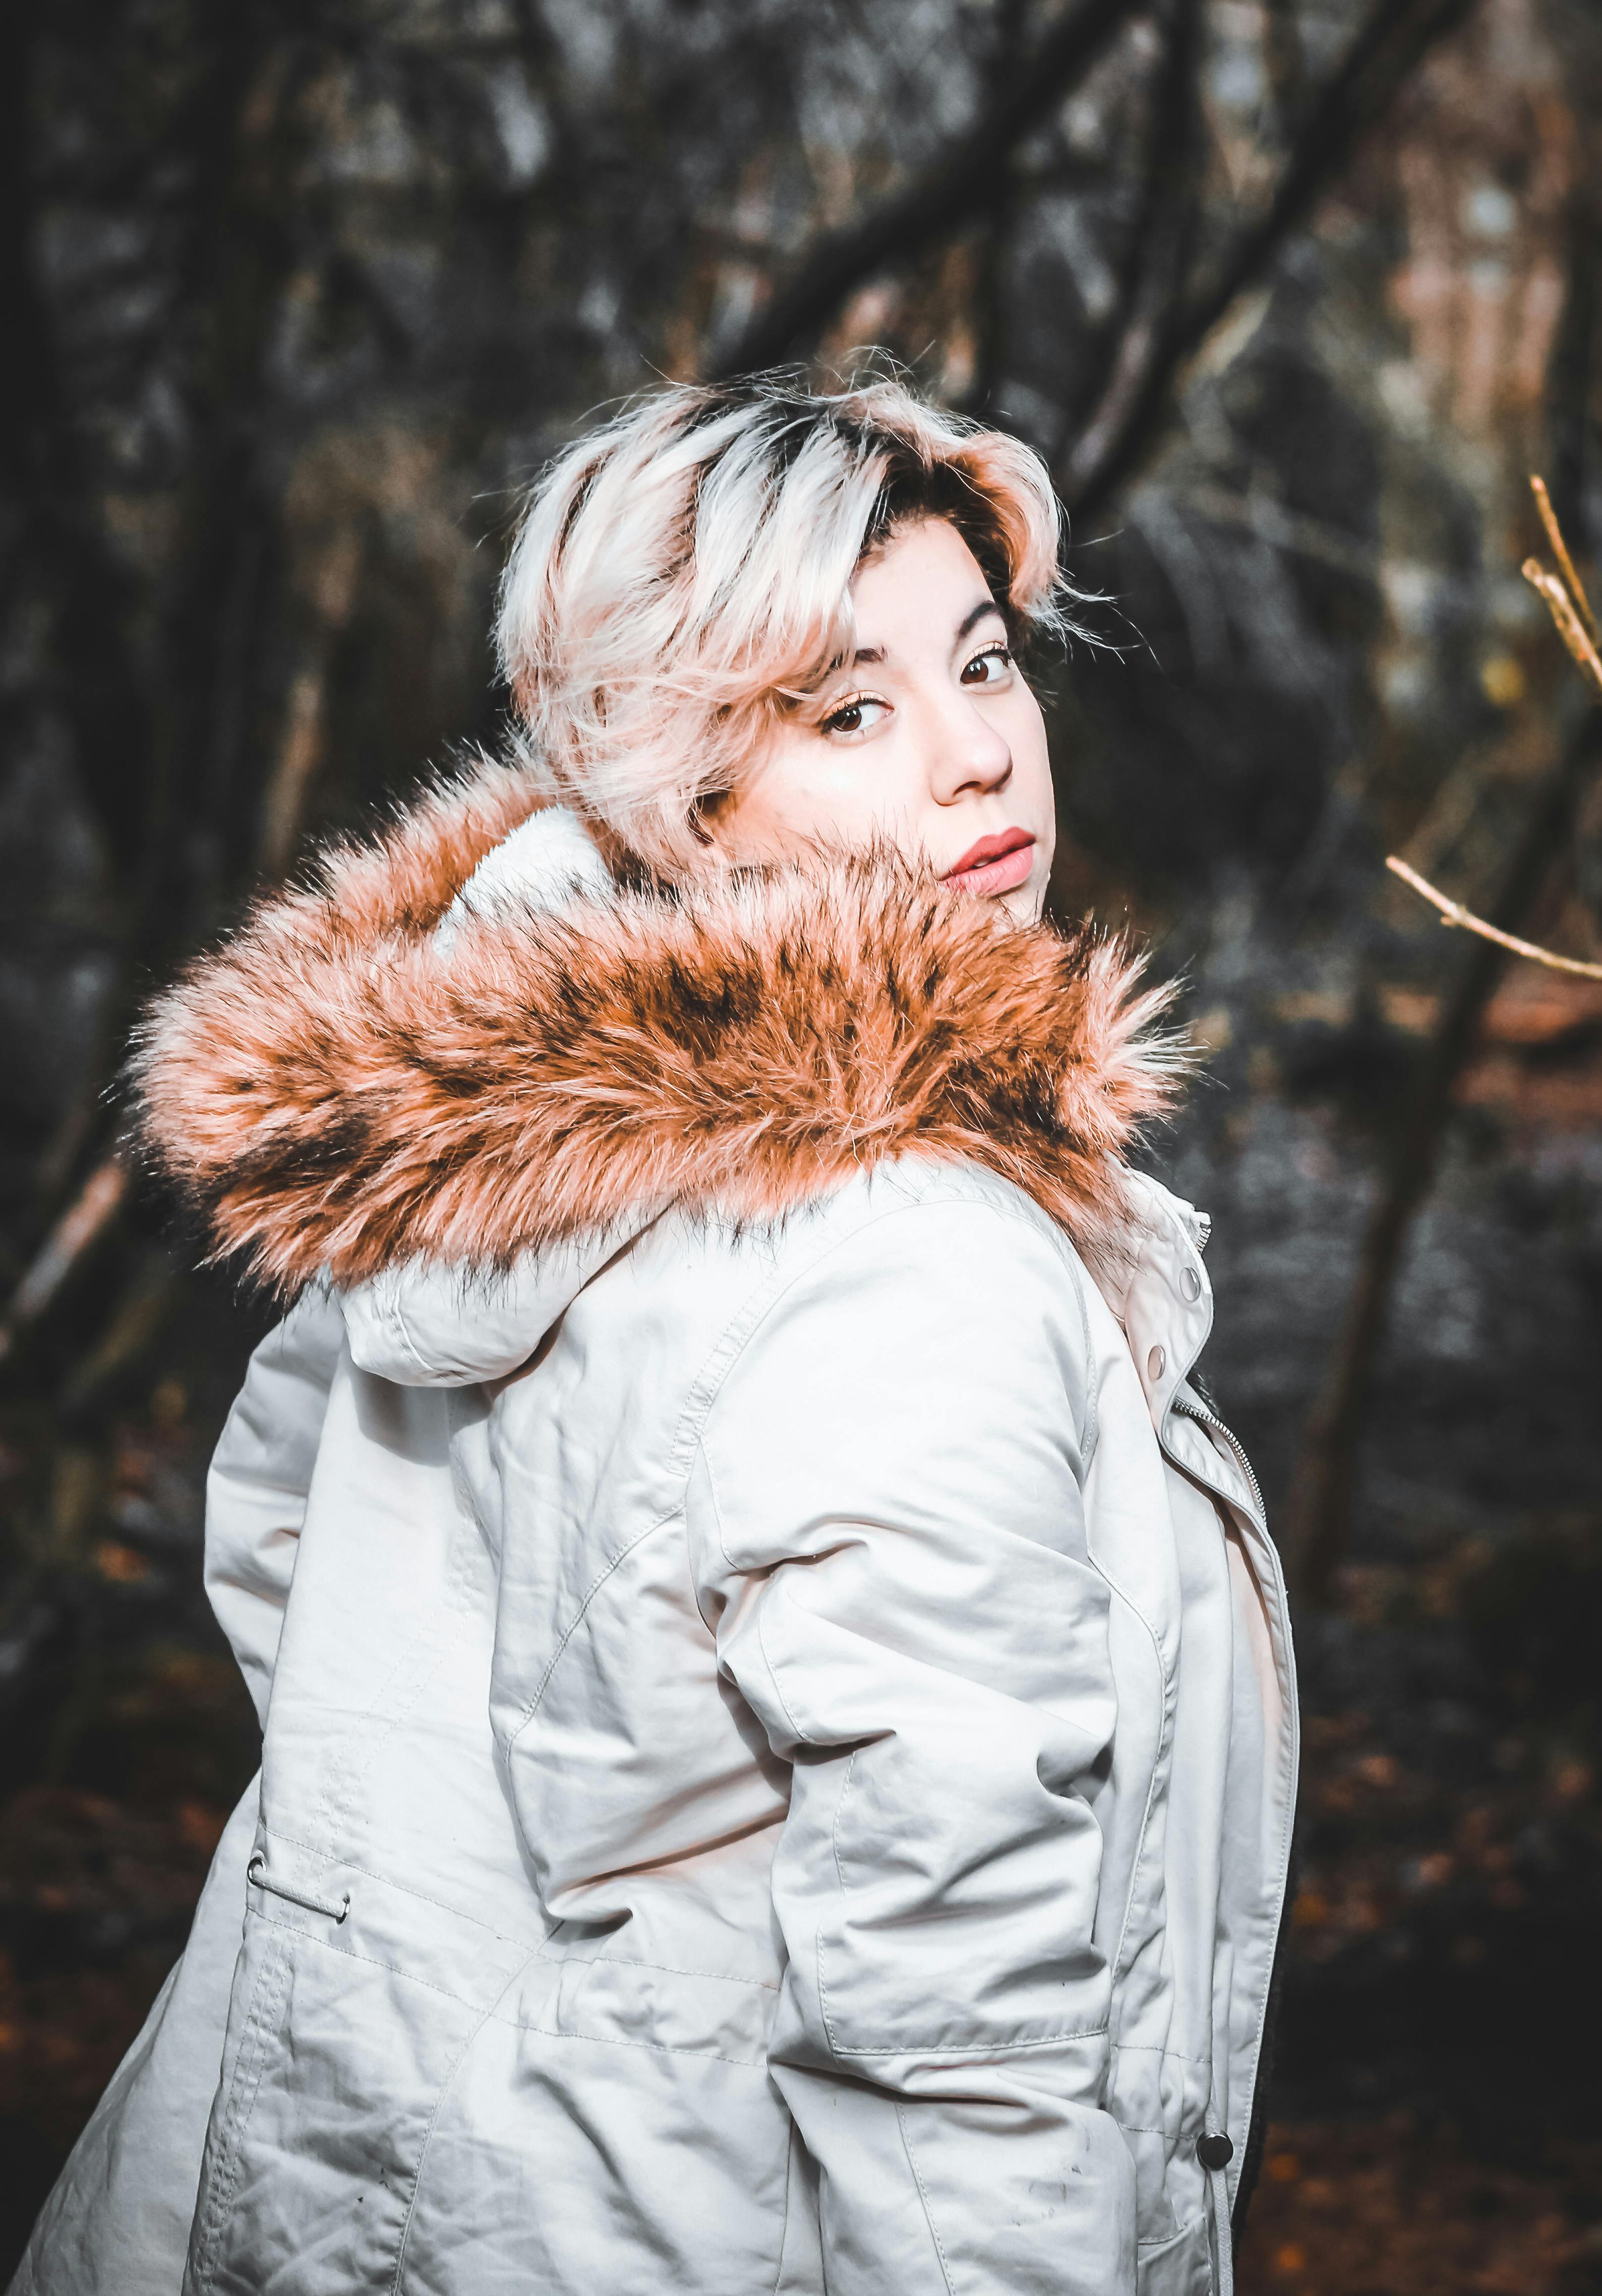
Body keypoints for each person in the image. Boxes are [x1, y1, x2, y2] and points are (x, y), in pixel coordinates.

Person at [12, 373, 1296, 2296]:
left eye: (982, 664)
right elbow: (956, 2058)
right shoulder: (906, 1253)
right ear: (687, 792)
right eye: (848, 709)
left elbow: (290, 1557)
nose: (975, 760)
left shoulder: (449, 1172)